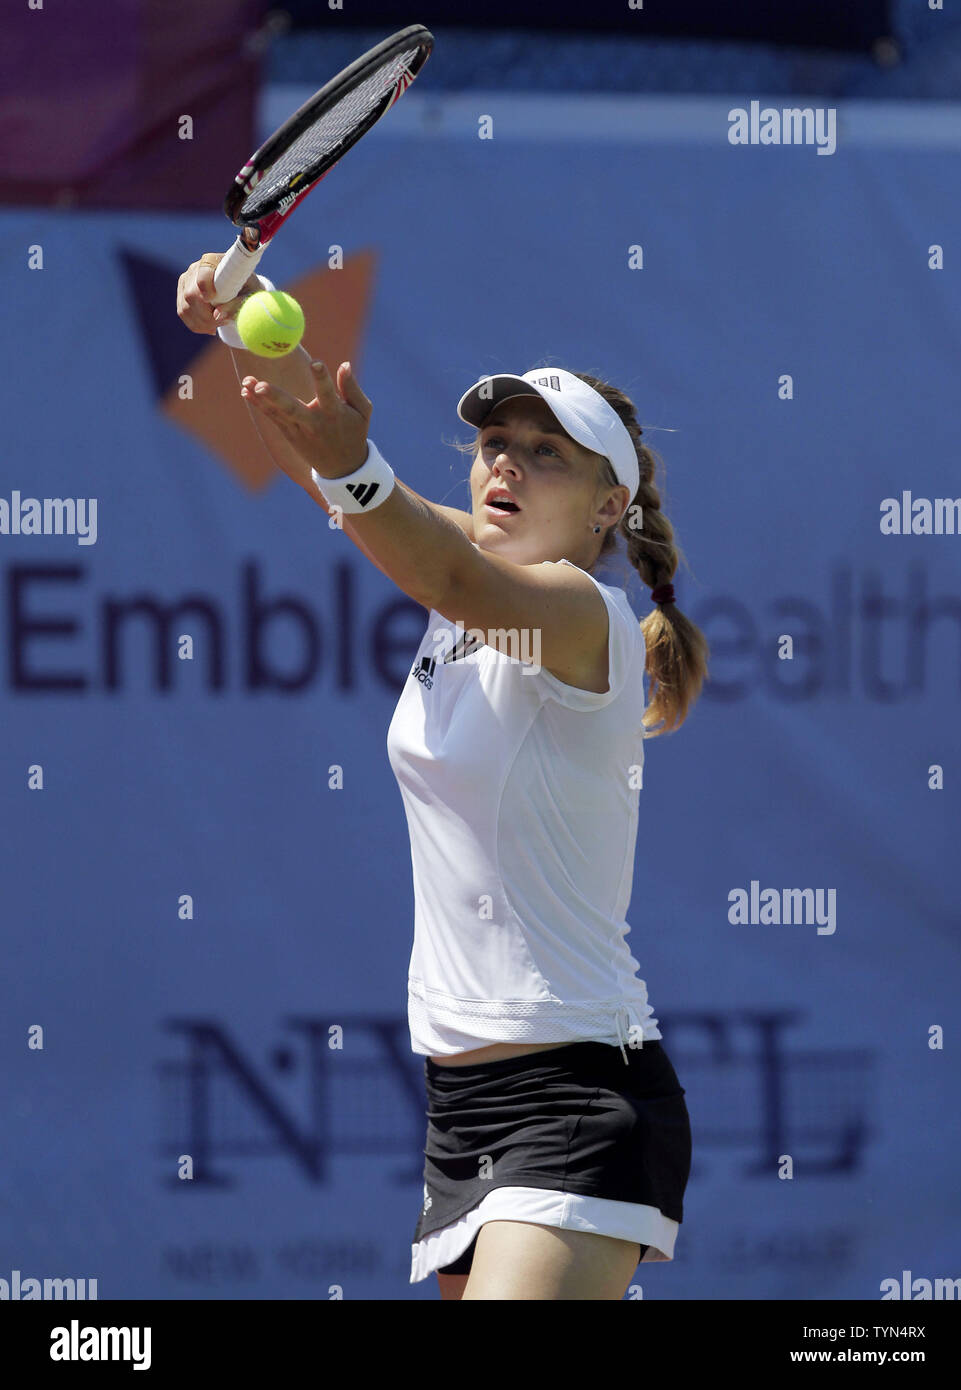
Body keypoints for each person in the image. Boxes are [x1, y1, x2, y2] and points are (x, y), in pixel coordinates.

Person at [176, 254, 710, 1300]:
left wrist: (356, 469)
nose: (504, 464)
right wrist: (239, 322)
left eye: (544, 454)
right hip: (460, 1112)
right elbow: (336, 473)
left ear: (610, 509)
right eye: (494, 445)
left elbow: (440, 563)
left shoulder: (580, 615)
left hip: (578, 1096)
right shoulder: (465, 568)